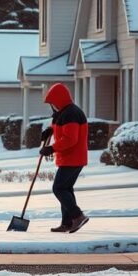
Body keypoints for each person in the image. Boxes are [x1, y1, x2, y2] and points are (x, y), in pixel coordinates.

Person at [40, 83, 89, 233]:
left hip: (73, 158)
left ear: (60, 100)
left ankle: (78, 216)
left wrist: (51, 148)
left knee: (59, 188)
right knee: (65, 189)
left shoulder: (71, 114)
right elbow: (59, 127)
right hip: (69, 158)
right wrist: (49, 131)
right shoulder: (63, 112)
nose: (52, 106)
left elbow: (70, 139)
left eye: (53, 102)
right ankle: (67, 223)